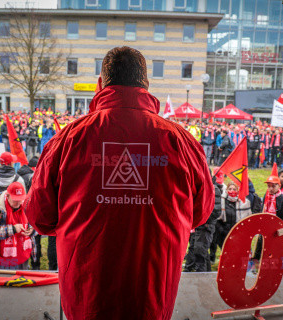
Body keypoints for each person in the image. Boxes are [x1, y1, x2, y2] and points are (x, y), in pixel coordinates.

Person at [25, 46, 214, 319]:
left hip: (86, 297)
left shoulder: (67, 140)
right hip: (152, 297)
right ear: (146, 86)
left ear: (100, 84)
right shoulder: (182, 142)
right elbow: (201, 213)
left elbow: (40, 218)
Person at [0, 182, 36, 269]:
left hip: (23, 257)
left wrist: (33, 230)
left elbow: (36, 223)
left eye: (21, 199)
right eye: (15, 200)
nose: (18, 204)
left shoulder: (27, 204)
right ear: (7, 196)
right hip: (1, 260)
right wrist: (12, 229)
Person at [252, 175, 283, 265]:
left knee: (271, 252)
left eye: (273, 186)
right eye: (269, 186)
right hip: (264, 229)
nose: (270, 188)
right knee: (260, 248)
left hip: (276, 232)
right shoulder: (267, 197)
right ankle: (257, 265)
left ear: (279, 186)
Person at [214, 181, 252, 254]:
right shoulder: (222, 200)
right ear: (227, 189)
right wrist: (222, 230)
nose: (232, 191)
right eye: (230, 189)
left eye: (234, 189)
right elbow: (217, 218)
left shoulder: (244, 202)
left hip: (238, 232)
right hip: (224, 232)